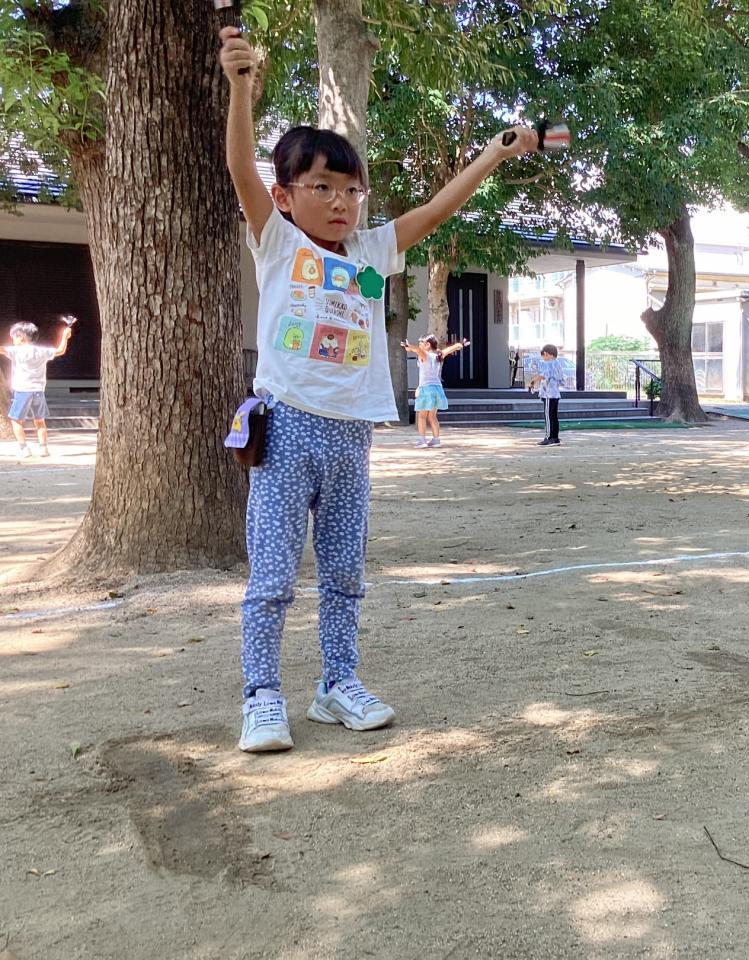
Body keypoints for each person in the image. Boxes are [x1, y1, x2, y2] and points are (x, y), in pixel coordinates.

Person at [220, 27, 539, 752]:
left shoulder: (371, 251)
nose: (340, 202)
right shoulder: (278, 241)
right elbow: (240, 165)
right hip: (286, 427)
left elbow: (438, 210)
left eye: (351, 189)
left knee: (344, 573)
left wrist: (494, 154)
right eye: (322, 188)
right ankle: (262, 696)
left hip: (351, 435)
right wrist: (240, 88)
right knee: (272, 576)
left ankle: (336, 684)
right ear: (285, 196)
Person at [1, 316, 76, 461]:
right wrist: (65, 336)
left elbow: (2, 350)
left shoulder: (16, 351)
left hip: (22, 391)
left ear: (21, 337)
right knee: (40, 421)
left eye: (14, 337)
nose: (12, 340)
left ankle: (24, 448)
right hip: (38, 391)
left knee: (16, 421)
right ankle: (44, 448)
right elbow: (60, 351)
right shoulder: (42, 351)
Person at [401, 335, 468, 448]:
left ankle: (422, 440)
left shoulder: (425, 354)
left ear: (428, 345)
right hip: (437, 389)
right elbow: (452, 348)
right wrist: (461, 344)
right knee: (432, 417)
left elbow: (417, 350)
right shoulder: (439, 355)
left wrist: (410, 347)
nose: (419, 345)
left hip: (426, 389)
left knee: (422, 416)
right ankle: (436, 440)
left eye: (421, 343)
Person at [528, 343, 566, 445]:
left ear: (546, 354)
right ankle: (555, 438)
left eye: (543, 355)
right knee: (554, 416)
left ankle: (548, 437)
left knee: (548, 416)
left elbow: (543, 375)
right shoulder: (558, 364)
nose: (543, 357)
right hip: (555, 393)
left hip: (548, 394)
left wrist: (532, 381)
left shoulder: (548, 363)